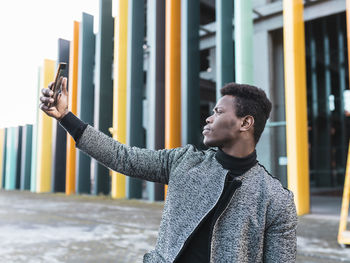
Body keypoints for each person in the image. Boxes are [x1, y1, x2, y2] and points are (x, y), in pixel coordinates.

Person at [40, 77, 297, 262]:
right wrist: (66, 117)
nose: (209, 117)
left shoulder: (276, 199)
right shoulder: (184, 161)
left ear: (245, 122)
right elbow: (123, 158)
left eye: (218, 112)